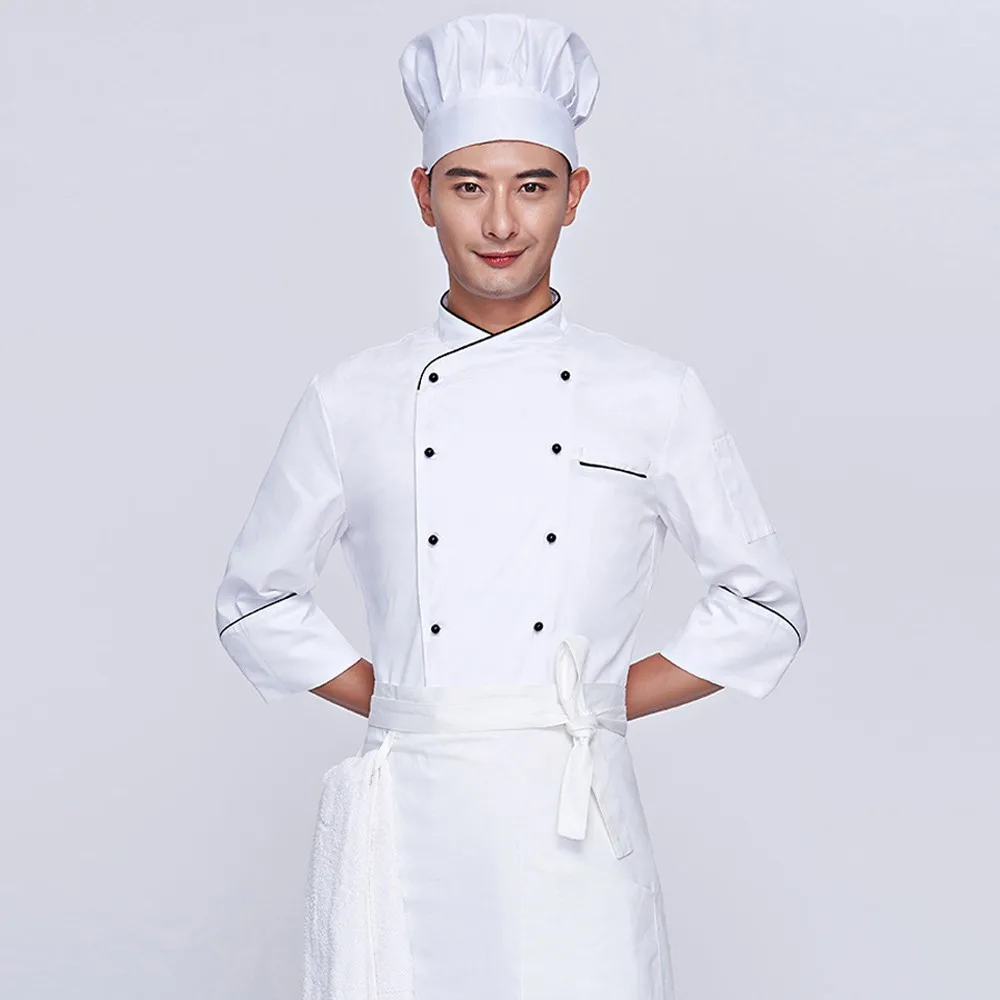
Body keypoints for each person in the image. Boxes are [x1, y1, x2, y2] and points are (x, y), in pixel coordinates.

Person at [213, 13, 809, 1000]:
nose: (499, 224)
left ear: (575, 194)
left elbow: (764, 607)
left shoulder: (654, 393)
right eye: (467, 186)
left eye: (531, 186)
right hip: (413, 815)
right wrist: (407, 700)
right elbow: (255, 601)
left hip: (578, 824)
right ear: (422, 196)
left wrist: (597, 700)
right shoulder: (350, 398)